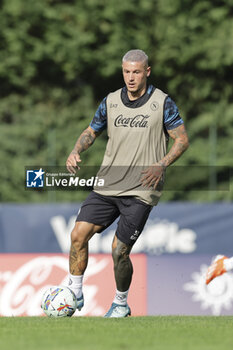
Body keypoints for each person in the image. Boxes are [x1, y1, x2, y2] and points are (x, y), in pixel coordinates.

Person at [66, 49, 189, 317]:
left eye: (136, 72)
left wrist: (162, 164)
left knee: (119, 251)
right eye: (126, 72)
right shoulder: (110, 101)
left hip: (142, 189)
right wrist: (77, 150)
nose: (130, 78)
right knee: (77, 235)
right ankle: (74, 293)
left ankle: (120, 303)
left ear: (147, 71)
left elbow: (181, 139)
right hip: (107, 184)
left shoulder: (162, 102)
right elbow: (91, 131)